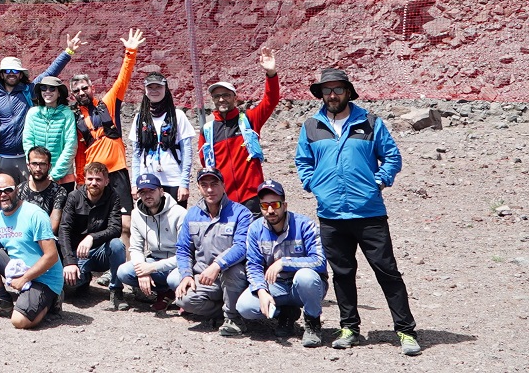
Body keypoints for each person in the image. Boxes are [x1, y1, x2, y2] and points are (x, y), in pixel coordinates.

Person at [295, 67, 420, 355]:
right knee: (342, 273)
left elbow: (391, 156)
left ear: (349, 92)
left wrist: (379, 180)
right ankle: (349, 327)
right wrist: (312, 183)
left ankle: (405, 331)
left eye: (338, 89)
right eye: (327, 90)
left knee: (387, 272)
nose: (332, 94)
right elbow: (303, 160)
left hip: (369, 213)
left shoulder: (369, 121)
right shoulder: (311, 125)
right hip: (331, 215)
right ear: (321, 94)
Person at [237, 180, 329, 348]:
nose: (270, 210)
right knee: (245, 307)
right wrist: (261, 291)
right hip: (276, 285)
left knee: (305, 276)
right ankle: (285, 313)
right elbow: (253, 266)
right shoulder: (255, 229)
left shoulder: (305, 225)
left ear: (284, 205)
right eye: (265, 206)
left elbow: (320, 261)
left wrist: (284, 262)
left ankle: (313, 322)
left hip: (304, 287)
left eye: (275, 204)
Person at [72, 28, 145, 213]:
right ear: (73, 95)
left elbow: (122, 79)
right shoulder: (76, 119)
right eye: (77, 91)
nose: (81, 92)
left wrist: (130, 52)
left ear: (92, 88)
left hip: (117, 170)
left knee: (125, 221)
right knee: (96, 220)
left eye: (84, 88)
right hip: (94, 175)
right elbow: (80, 152)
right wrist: (81, 179)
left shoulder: (108, 103)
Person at [200, 48, 281, 215]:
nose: (221, 99)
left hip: (251, 196)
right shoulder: (207, 129)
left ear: (235, 97)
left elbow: (270, 101)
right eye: (217, 96)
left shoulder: (249, 120)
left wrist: (271, 73)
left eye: (226, 95)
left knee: (253, 239)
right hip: (224, 198)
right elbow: (205, 163)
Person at [0, 33, 81, 181]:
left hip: (26, 158)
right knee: (5, 195)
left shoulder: (28, 90)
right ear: (1, 74)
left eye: (15, 71)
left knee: (29, 197)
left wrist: (68, 52)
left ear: (21, 75)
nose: (11, 74)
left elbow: (50, 74)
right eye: (8, 71)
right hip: (3, 156)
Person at [174, 168, 253, 336]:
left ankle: (234, 318)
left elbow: (242, 246)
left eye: (214, 184)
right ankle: (223, 312)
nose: (210, 189)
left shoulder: (241, 213)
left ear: (223, 185)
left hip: (234, 275)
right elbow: (183, 249)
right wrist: (186, 275)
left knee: (232, 271)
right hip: (204, 276)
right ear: (199, 187)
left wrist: (218, 265)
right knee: (183, 299)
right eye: (204, 185)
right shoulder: (192, 214)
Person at [0, 173, 62, 328]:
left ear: (17, 190)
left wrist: (24, 279)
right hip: (17, 269)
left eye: (8, 190)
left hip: (44, 278)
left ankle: (51, 301)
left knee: (19, 321)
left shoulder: (35, 215)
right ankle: (3, 300)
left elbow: (51, 256)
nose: (3, 195)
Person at [111, 173, 184, 310]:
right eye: (143, 192)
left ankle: (178, 293)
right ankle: (165, 292)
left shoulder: (179, 213)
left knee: (174, 279)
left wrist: (151, 268)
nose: (147, 195)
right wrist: (142, 270)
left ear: (161, 191)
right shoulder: (136, 214)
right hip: (154, 260)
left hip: (178, 264)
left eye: (151, 191)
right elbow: (136, 247)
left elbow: (185, 255)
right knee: (123, 272)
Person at [57, 161, 125, 299]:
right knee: (70, 284)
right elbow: (64, 229)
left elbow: (116, 228)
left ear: (106, 181)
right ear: (84, 179)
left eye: (98, 179)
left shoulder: (113, 197)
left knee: (117, 245)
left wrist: (92, 237)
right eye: (90, 179)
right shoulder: (74, 196)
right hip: (78, 253)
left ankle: (116, 291)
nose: (94, 183)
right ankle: (84, 277)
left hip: (101, 252)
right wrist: (69, 262)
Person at [128, 72, 195, 204]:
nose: (154, 91)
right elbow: (136, 154)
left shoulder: (178, 116)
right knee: (150, 221)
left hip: (174, 180)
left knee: (175, 221)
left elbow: (187, 152)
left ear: (165, 88)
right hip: (147, 180)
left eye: (158, 87)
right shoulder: (139, 118)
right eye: (150, 87)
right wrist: (135, 182)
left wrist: (184, 183)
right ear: (145, 90)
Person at [23, 74, 77, 185]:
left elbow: (70, 145)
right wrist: (35, 169)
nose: (47, 91)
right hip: (38, 175)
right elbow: (27, 142)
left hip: (63, 177)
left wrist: (54, 175)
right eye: (44, 88)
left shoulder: (67, 114)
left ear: (59, 93)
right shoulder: (33, 113)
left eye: (52, 88)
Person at [18, 145, 67, 232]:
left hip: (47, 239)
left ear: (49, 166)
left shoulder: (59, 192)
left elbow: (52, 227)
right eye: (34, 164)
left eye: (42, 164)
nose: (38, 169)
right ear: (28, 165)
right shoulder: (20, 190)